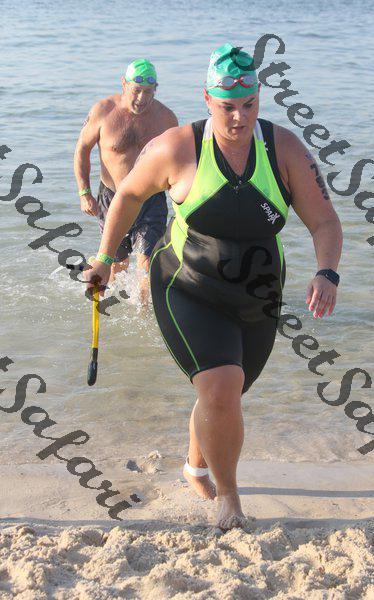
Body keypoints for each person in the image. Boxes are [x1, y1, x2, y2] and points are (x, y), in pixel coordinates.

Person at [85, 43, 343, 530]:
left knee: (226, 391)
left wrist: (326, 272)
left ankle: (195, 466)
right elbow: (129, 195)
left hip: (258, 295)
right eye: (227, 106)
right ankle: (230, 498)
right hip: (186, 285)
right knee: (222, 385)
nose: (239, 117)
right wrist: (103, 257)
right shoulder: (177, 147)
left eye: (249, 104)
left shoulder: (284, 149)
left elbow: (325, 221)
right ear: (207, 99)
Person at [74, 58, 178, 302]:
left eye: (149, 92)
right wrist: (84, 192)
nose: (142, 98)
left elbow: (177, 161)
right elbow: (82, 150)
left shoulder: (166, 119)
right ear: (124, 84)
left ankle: (143, 314)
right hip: (112, 197)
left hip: (150, 199)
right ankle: (112, 305)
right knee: (116, 265)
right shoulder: (103, 111)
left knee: (147, 264)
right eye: (137, 90)